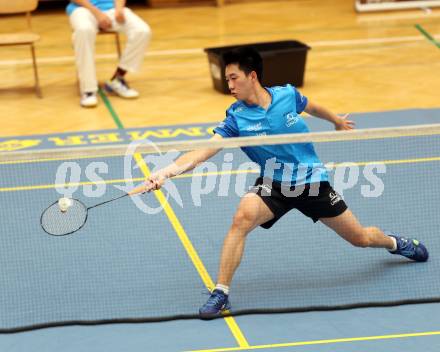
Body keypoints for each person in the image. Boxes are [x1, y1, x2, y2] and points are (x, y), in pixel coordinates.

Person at [131, 47, 429, 318]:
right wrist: (166, 172)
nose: (230, 86)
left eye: (234, 78)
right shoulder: (236, 118)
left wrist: (335, 120)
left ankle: (394, 242)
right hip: (274, 184)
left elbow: (310, 105)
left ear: (252, 76)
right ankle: (221, 293)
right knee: (241, 219)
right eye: (227, 80)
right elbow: (203, 150)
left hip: (313, 183)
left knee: (360, 238)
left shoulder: (287, 95)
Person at [67, 0, 151, 107]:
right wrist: (98, 14)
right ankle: (88, 90)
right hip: (82, 9)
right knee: (84, 31)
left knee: (142, 31)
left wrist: (119, 10)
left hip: (112, 9)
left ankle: (117, 79)